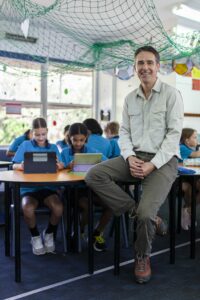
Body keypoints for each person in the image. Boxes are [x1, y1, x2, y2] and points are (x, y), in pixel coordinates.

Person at [85, 46, 184, 283]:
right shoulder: (130, 98)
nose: (145, 67)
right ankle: (133, 210)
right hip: (134, 157)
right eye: (140, 63)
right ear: (135, 67)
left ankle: (142, 256)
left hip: (164, 160)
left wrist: (152, 165)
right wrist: (129, 157)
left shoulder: (172, 94)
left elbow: (173, 136)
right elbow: (125, 133)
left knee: (147, 213)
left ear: (158, 67)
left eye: (150, 63)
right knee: (94, 176)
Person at [12, 117, 64, 255]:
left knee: (58, 208)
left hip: (48, 188)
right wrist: (20, 166)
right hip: (28, 189)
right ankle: (35, 236)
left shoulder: (53, 148)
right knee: (27, 208)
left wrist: (60, 165)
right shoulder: (24, 145)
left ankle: (49, 233)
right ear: (32, 133)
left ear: (47, 132)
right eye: (37, 134)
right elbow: (14, 165)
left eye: (43, 134)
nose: (41, 138)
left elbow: (62, 166)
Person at [61, 122, 112, 251]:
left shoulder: (92, 152)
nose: (78, 143)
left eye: (82, 140)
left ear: (86, 139)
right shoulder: (65, 153)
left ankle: (97, 233)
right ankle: (79, 230)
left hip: (91, 189)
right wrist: (67, 167)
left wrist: (98, 166)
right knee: (87, 206)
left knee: (112, 204)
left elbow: (108, 164)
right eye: (75, 140)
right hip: (73, 191)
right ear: (69, 138)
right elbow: (58, 173)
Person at [179, 128, 200, 230]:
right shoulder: (182, 148)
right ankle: (187, 211)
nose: (197, 140)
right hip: (180, 178)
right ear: (187, 140)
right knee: (188, 188)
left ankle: (188, 210)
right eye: (195, 137)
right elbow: (196, 155)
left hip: (192, 177)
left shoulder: (193, 149)